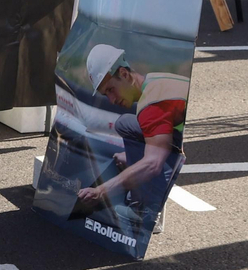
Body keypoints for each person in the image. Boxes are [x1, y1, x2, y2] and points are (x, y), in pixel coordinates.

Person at [75, 44, 188, 227]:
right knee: (125, 123)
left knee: (149, 156)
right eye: (106, 94)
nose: (111, 100)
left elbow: (153, 165)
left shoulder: (151, 104)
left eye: (111, 89)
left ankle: (144, 209)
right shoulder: (156, 79)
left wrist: (100, 191)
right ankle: (141, 172)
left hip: (179, 141)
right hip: (178, 130)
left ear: (124, 74)